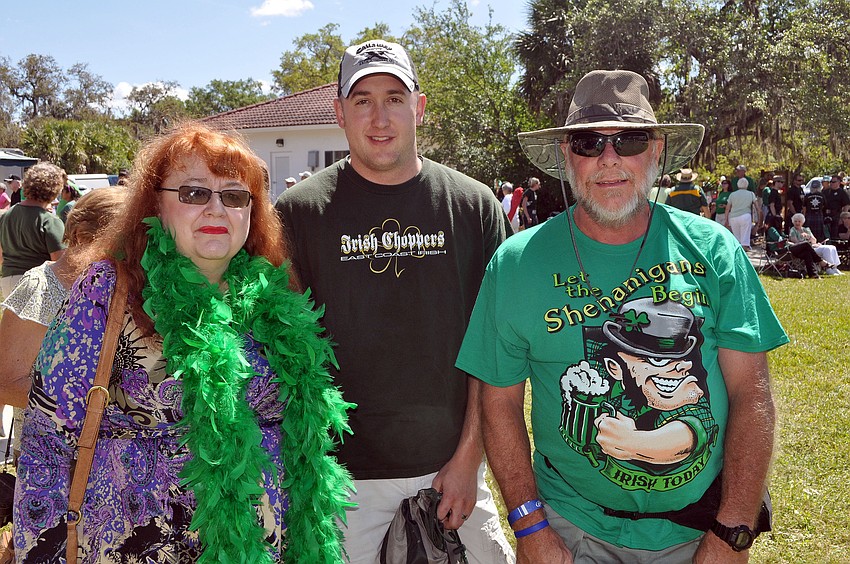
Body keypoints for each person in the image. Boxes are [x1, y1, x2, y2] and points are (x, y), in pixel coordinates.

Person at [457, 69, 788, 563]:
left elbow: (750, 392)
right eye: (589, 142)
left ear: (655, 150)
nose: (609, 159)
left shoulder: (713, 249)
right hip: (572, 528)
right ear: (567, 156)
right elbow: (500, 403)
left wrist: (733, 531)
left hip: (700, 531)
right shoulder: (516, 264)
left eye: (628, 140)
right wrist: (530, 527)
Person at [14, 122, 353, 562]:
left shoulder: (272, 297)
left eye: (234, 196)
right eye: (194, 193)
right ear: (156, 203)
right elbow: (48, 444)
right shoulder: (108, 291)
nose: (216, 210)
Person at [275, 39, 514, 563]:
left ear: (419, 106)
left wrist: (469, 457)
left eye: (393, 97)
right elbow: (285, 352)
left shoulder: (473, 206)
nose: (379, 117)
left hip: (451, 467)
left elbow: (496, 349)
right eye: (362, 100)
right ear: (339, 112)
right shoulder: (298, 214)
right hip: (343, 478)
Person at [0, 188, 126, 459]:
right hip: (48, 454)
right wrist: (101, 408)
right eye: (123, 240)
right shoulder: (42, 286)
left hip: (104, 456)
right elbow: (6, 382)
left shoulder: (116, 289)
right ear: (81, 236)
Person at [0, 163, 66, 301]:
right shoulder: (50, 221)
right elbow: (61, 264)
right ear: (54, 189)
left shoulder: (5, 216)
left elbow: (1, 256)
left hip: (7, 280)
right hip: (35, 283)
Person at [725, 177, 759, 250]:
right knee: (745, 236)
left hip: (733, 217)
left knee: (736, 237)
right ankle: (744, 248)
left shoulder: (732, 194)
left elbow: (727, 208)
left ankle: (738, 250)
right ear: (747, 185)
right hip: (745, 216)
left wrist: (726, 219)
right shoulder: (751, 194)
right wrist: (759, 218)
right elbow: (757, 207)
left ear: (737, 185)